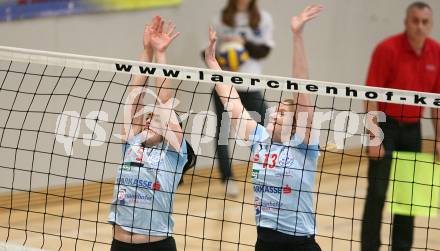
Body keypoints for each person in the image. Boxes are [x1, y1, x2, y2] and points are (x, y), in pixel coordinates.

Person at [205, 5, 323, 251]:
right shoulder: (259, 139)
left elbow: (302, 87)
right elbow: (232, 102)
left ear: (296, 125)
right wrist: (213, 64)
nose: (275, 114)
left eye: (283, 113)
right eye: (276, 110)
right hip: (265, 243)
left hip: (299, 243)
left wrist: (297, 36)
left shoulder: (303, 146)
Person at [108, 16, 196, 251]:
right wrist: (146, 51)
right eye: (147, 117)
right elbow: (135, 94)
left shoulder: (174, 155)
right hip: (119, 245)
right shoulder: (132, 144)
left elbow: (165, 103)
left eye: (154, 119)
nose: (148, 119)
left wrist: (161, 54)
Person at [362, 2, 440, 251]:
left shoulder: (436, 52)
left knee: (408, 196)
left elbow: (436, 103)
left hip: (413, 130)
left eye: (424, 22)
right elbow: (371, 95)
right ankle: (370, 247)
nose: (419, 26)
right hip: (386, 127)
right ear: (406, 22)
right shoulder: (387, 49)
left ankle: (402, 247)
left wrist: (439, 138)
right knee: (377, 193)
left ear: (431, 24)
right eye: (414, 20)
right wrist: (374, 138)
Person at [210, 0, 275, 197]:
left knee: (266, 128)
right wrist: (224, 57)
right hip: (226, 85)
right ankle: (227, 178)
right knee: (223, 132)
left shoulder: (263, 18)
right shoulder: (219, 19)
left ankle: (267, 172)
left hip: (251, 84)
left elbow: (264, 51)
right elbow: (206, 52)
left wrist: (242, 44)